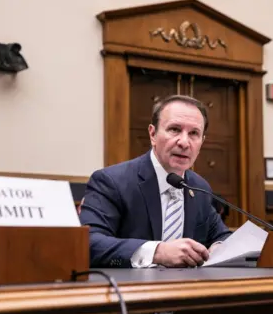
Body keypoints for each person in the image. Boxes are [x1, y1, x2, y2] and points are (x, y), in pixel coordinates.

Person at [79, 95, 231, 268]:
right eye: (174, 129)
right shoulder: (112, 181)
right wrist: (157, 252)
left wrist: (220, 249)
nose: (184, 142)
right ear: (152, 134)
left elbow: (221, 236)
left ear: (201, 142)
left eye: (194, 133)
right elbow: (89, 243)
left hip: (188, 289)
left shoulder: (199, 187)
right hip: (129, 291)